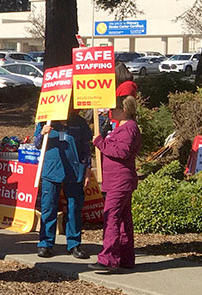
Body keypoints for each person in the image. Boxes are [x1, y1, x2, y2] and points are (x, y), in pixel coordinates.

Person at [89, 96, 142, 272]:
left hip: (120, 181)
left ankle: (108, 258)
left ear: (124, 110)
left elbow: (121, 151)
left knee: (111, 217)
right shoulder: (122, 127)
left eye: (115, 108)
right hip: (117, 180)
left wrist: (99, 143)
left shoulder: (128, 128)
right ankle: (126, 258)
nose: (112, 111)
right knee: (123, 221)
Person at [33, 104, 93, 259]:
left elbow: (86, 148)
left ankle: (74, 244)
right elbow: (37, 144)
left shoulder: (79, 122)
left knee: (74, 208)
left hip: (74, 171)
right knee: (48, 207)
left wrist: (88, 169)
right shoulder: (45, 121)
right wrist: (42, 133)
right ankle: (45, 244)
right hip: (52, 170)